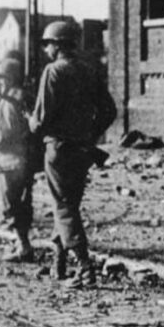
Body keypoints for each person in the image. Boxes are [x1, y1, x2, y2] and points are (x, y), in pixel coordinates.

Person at [29, 21, 117, 289]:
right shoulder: (89, 70)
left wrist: (30, 122)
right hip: (83, 150)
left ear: (57, 45)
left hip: (59, 149)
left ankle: (85, 267)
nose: (46, 49)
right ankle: (59, 263)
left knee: (63, 206)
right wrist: (90, 134)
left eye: (48, 44)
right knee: (69, 205)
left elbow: (42, 120)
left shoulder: (53, 71)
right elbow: (109, 111)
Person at [0, 57, 35, 262]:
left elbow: (5, 134)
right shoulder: (24, 96)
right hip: (24, 161)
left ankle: (23, 247)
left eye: (1, 79)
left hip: (9, 162)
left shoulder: (9, 101)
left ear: (10, 78)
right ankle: (23, 244)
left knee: (11, 206)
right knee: (23, 204)